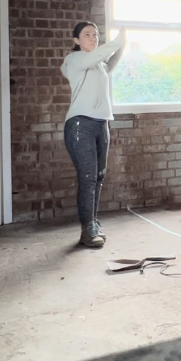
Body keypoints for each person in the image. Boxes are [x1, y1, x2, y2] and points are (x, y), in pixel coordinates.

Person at [61, 21, 127, 248]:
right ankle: (87, 229)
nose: (93, 38)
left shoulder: (98, 65)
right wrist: (116, 41)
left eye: (96, 34)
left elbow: (111, 61)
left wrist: (123, 43)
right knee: (88, 178)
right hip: (80, 125)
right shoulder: (74, 59)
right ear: (76, 40)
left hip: (101, 124)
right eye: (87, 35)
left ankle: (93, 224)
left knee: (98, 177)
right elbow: (99, 54)